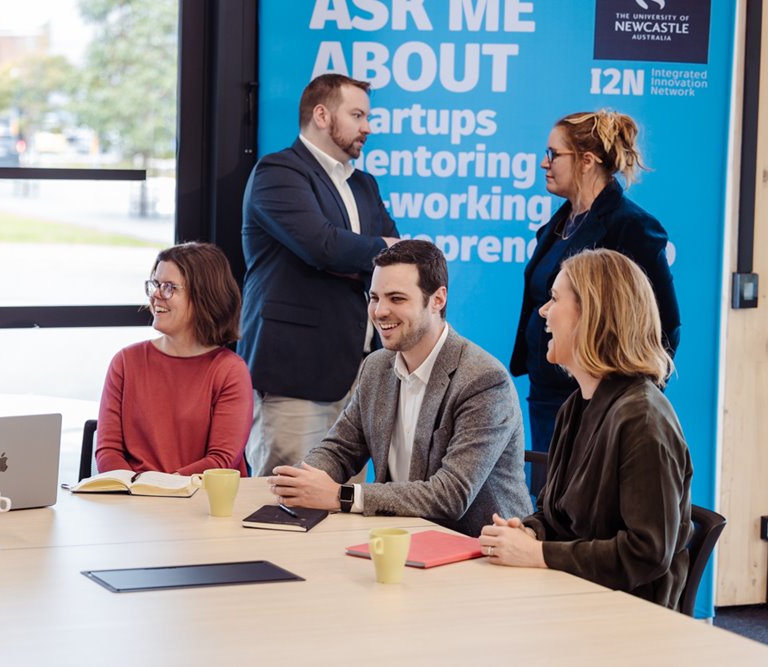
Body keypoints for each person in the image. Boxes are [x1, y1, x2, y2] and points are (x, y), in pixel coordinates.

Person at [270, 240, 532, 537]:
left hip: (479, 550)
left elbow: (450, 496)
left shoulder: (483, 379)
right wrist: (301, 481)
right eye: (374, 298)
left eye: (396, 299)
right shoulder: (376, 367)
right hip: (397, 537)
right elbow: (340, 449)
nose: (380, 312)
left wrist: (339, 496)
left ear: (438, 300)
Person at [481, 249, 692, 609]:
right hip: (577, 596)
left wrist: (539, 554)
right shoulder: (577, 405)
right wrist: (530, 532)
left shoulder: (643, 419)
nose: (544, 312)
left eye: (555, 299)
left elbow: (647, 554)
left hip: (628, 618)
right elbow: (555, 514)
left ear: (591, 314)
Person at [240, 73, 401, 476]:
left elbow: (393, 259)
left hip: (357, 376)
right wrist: (371, 247)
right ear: (322, 115)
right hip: (295, 378)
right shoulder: (277, 172)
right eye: (358, 114)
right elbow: (321, 245)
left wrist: (361, 252)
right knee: (284, 508)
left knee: (343, 506)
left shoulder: (364, 184)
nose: (368, 127)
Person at [509, 110, 680, 481]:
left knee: (585, 519)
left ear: (587, 161)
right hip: (547, 398)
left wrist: (628, 400)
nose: (544, 162)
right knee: (548, 509)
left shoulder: (631, 227)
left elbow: (666, 325)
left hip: (598, 405)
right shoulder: (558, 226)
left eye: (554, 154)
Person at [95, 242, 253, 476]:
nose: (156, 295)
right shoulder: (126, 362)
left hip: (201, 504)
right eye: (156, 284)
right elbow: (108, 450)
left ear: (204, 296)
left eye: (170, 287)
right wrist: (136, 489)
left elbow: (221, 460)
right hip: (132, 501)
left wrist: (161, 489)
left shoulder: (229, 370)